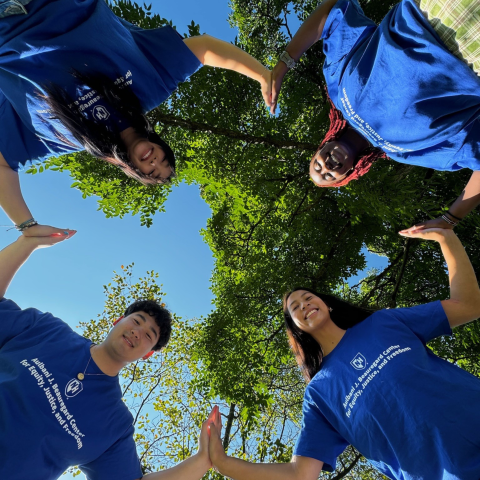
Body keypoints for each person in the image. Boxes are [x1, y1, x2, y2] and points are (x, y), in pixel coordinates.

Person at [207, 227, 480, 479]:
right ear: (296, 328)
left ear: (326, 304)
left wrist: (446, 237)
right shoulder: (319, 395)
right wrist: (222, 462)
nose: (304, 305)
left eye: (308, 297)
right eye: (295, 308)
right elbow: (300, 473)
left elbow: (468, 305)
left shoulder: (384, 323)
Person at [0, 0, 273, 237]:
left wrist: (26, 226)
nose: (155, 161)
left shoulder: (66, 138)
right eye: (164, 160)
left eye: (153, 172)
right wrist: (262, 74)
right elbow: (204, 49)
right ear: (161, 145)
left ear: (135, 172)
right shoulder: (152, 87)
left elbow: (3, 165)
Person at [0, 231, 221, 480]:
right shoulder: (48, 330)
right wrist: (27, 243)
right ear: (117, 321)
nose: (138, 332)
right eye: (137, 321)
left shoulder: (114, 425)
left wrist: (204, 460)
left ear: (147, 354)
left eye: (149, 336)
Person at [269, 0, 480, 231]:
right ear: (349, 172)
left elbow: (334, 12)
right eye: (329, 176)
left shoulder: (338, 89)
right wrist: (450, 220)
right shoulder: (405, 153)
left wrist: (283, 65)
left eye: (317, 165)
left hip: (433, 9)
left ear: (322, 145)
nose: (326, 167)